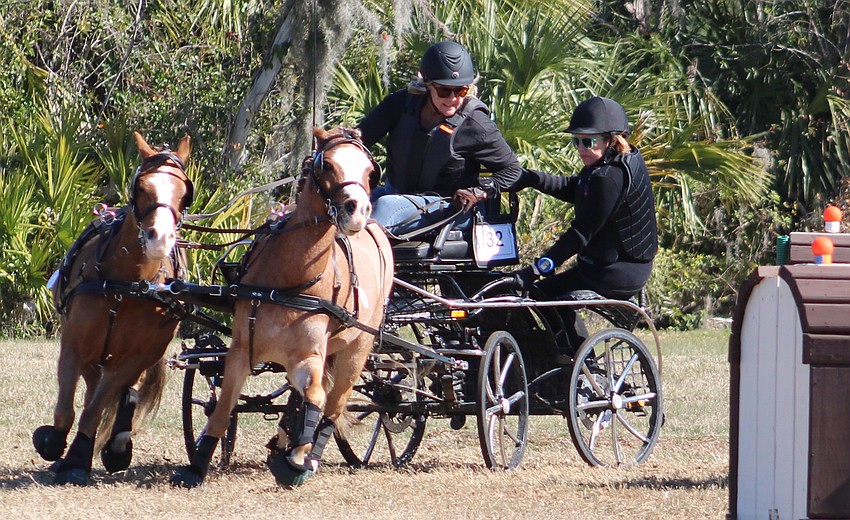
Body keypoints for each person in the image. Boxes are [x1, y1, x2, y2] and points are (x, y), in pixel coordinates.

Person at [513, 96, 658, 359]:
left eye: (588, 141)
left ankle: (578, 362)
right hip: (610, 264)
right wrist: (532, 178)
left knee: (543, 293)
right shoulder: (614, 163)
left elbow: (580, 233)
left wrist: (537, 268)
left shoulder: (609, 178)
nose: (580, 148)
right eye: (576, 141)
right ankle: (572, 358)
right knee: (547, 293)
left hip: (617, 272)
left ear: (612, 140)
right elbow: (576, 188)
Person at [357, 41, 522, 236]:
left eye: (461, 90)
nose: (452, 98)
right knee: (348, 204)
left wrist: (479, 192)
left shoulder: (476, 124)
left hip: (448, 207)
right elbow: (359, 138)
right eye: (444, 90)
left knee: (384, 208)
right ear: (427, 84)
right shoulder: (400, 104)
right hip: (395, 192)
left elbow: (512, 169)